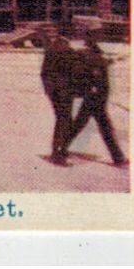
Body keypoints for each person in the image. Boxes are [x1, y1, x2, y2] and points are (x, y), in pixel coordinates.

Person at [66, 38, 128, 167]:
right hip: (95, 99)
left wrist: (114, 60)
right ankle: (118, 158)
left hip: (95, 98)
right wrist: (93, 88)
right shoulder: (93, 60)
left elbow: (102, 64)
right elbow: (96, 73)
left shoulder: (93, 59)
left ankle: (61, 148)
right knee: (105, 128)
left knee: (79, 124)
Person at [40, 27, 81, 165]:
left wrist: (48, 89)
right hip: (64, 92)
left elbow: (44, 72)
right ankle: (58, 153)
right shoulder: (67, 50)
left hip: (53, 92)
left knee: (61, 119)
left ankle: (59, 150)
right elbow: (75, 72)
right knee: (64, 120)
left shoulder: (51, 48)